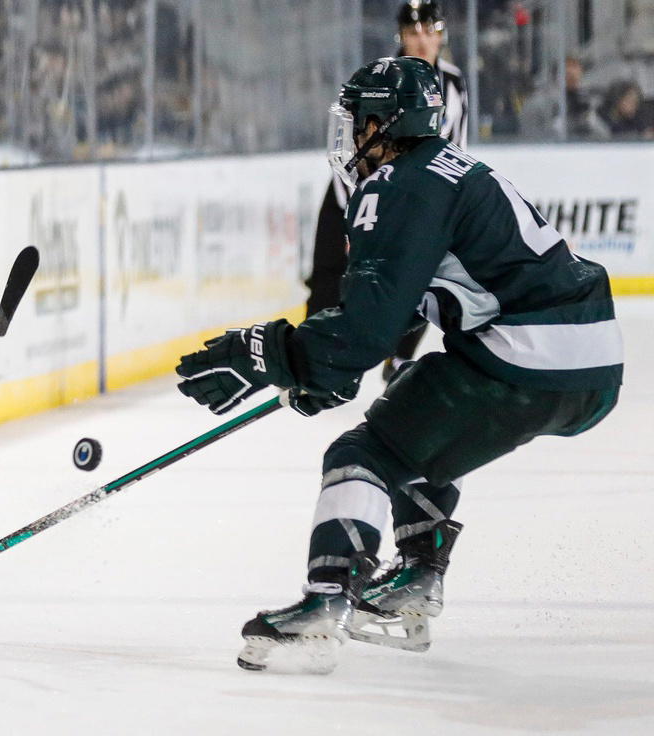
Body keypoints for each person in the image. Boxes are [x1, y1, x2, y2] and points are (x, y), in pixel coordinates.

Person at [176, 56, 622, 673]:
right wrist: (324, 369)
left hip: (531, 356)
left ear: (386, 123)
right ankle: (417, 576)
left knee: (363, 454)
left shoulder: (398, 184)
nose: (351, 132)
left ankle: (327, 599)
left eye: (359, 119)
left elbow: (366, 328)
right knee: (414, 401)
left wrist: (271, 353)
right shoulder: (447, 169)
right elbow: (402, 304)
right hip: (591, 360)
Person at [305, 0, 468, 373]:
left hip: (413, 201)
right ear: (402, 36)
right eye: (413, 31)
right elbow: (350, 149)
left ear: (441, 34)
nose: (422, 39)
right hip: (356, 193)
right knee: (330, 277)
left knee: (426, 273)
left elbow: (456, 147)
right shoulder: (379, 81)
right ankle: (309, 357)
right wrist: (356, 213)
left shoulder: (454, 83)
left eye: (429, 30)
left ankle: (400, 355)